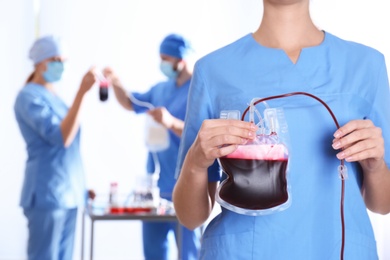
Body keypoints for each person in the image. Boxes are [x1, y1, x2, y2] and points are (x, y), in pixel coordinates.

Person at [172, 0, 390, 259]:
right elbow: (190, 217)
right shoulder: (213, 71)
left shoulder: (366, 66)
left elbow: (382, 203)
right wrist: (196, 163)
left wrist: (374, 166)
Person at [103, 33, 200, 260]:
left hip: (185, 185)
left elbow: (201, 135)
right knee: (154, 252)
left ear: (181, 59)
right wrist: (116, 82)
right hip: (155, 187)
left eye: (166, 58)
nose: (162, 63)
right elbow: (130, 103)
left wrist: (171, 122)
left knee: (189, 253)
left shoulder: (198, 90)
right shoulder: (160, 89)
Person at [14, 35, 97, 260]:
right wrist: (81, 93)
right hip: (46, 194)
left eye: (64, 60)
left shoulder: (54, 96)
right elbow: (62, 138)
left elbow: (67, 153)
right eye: (56, 59)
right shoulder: (28, 97)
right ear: (41, 63)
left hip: (68, 192)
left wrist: (80, 184)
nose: (61, 65)